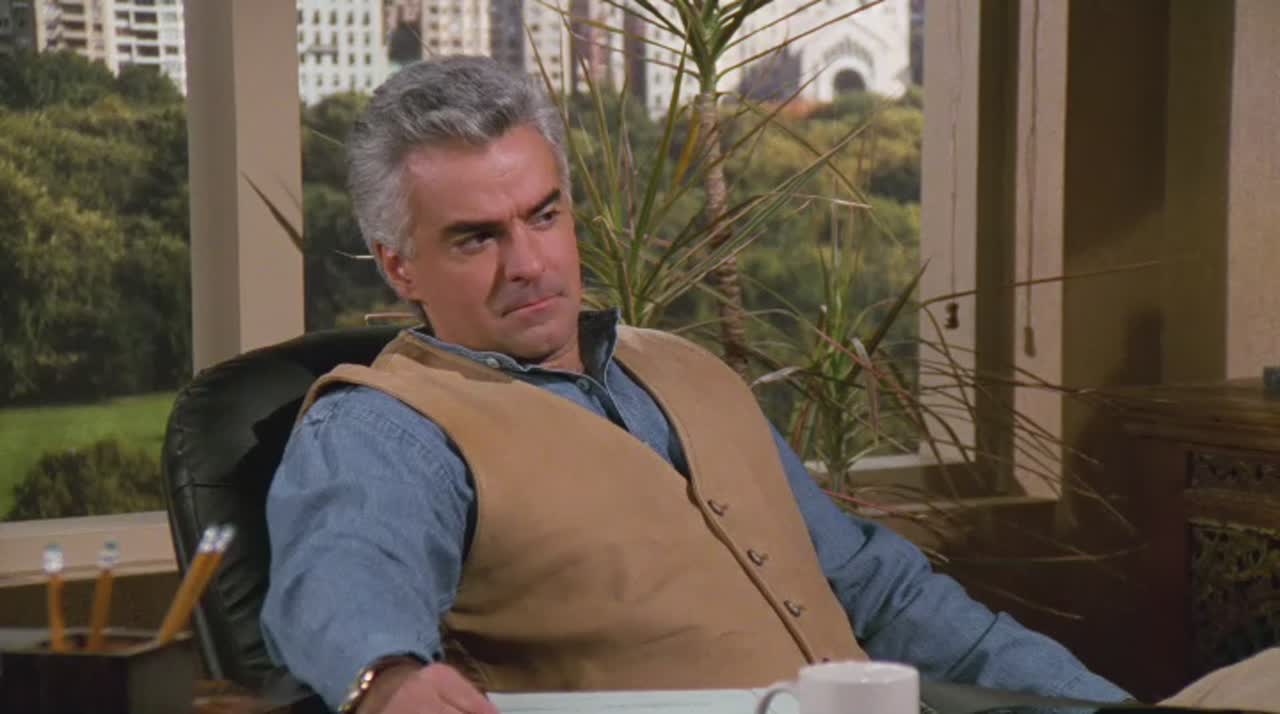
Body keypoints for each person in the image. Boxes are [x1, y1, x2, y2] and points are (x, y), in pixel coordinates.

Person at [257, 57, 1258, 714]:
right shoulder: (388, 428)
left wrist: (1102, 708)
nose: (528, 263)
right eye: (476, 237)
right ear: (399, 265)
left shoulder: (682, 368)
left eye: (544, 215)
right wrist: (387, 677)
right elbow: (343, 573)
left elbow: (879, 589)